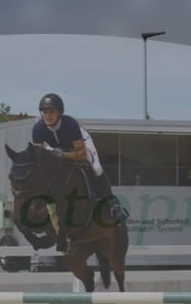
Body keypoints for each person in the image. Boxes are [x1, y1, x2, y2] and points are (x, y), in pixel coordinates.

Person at [32, 93, 124, 222]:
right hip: (57, 149)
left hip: (80, 145)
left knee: (97, 168)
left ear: (59, 112)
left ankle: (113, 205)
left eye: (51, 111)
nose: (48, 115)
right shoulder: (38, 129)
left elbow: (81, 154)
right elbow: (38, 155)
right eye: (45, 112)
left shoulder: (70, 124)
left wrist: (60, 155)